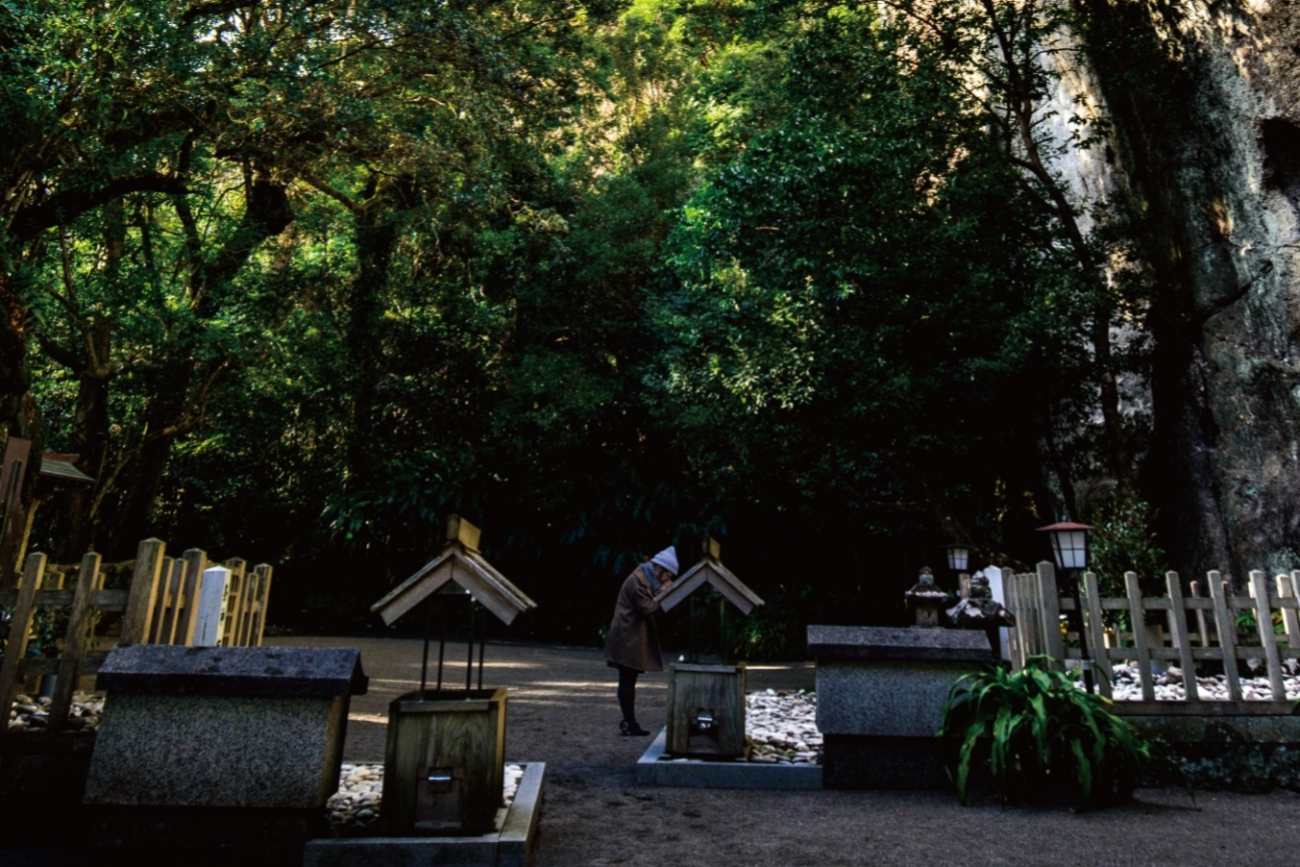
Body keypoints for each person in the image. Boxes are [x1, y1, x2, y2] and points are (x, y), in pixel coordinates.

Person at [604, 546, 677, 736]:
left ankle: (629, 722)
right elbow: (648, 608)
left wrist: (660, 590)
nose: (667, 580)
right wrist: (663, 592)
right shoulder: (637, 581)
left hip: (631, 635)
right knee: (627, 679)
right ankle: (629, 722)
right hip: (627, 636)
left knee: (629, 679)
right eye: (667, 575)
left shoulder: (644, 578)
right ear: (659, 569)